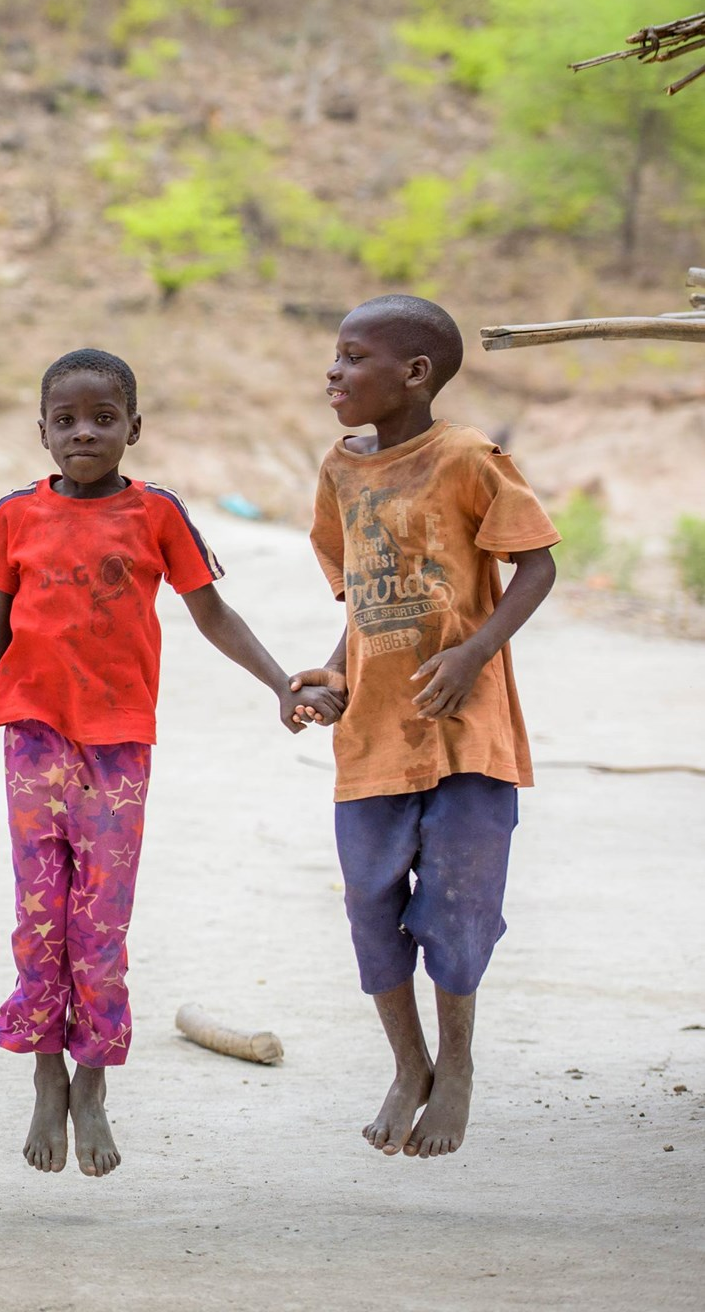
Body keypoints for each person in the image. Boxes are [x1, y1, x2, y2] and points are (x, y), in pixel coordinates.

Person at [0, 348, 340, 1178]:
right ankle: (44, 1078)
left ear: (134, 429)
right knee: (41, 916)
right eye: (66, 420)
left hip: (118, 746)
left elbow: (211, 612)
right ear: (41, 431)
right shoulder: (15, 516)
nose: (85, 432)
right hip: (33, 736)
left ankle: (92, 1083)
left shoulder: (158, 515)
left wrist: (278, 684)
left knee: (100, 926)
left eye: (103, 418)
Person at [287, 295, 558, 1160]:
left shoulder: (467, 458)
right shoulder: (340, 471)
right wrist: (332, 672)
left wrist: (476, 652)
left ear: (414, 374)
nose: (333, 371)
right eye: (334, 355)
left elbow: (537, 562)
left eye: (352, 356)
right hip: (371, 734)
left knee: (460, 907)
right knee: (371, 907)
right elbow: (362, 602)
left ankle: (460, 1066)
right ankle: (408, 1066)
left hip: (466, 731)